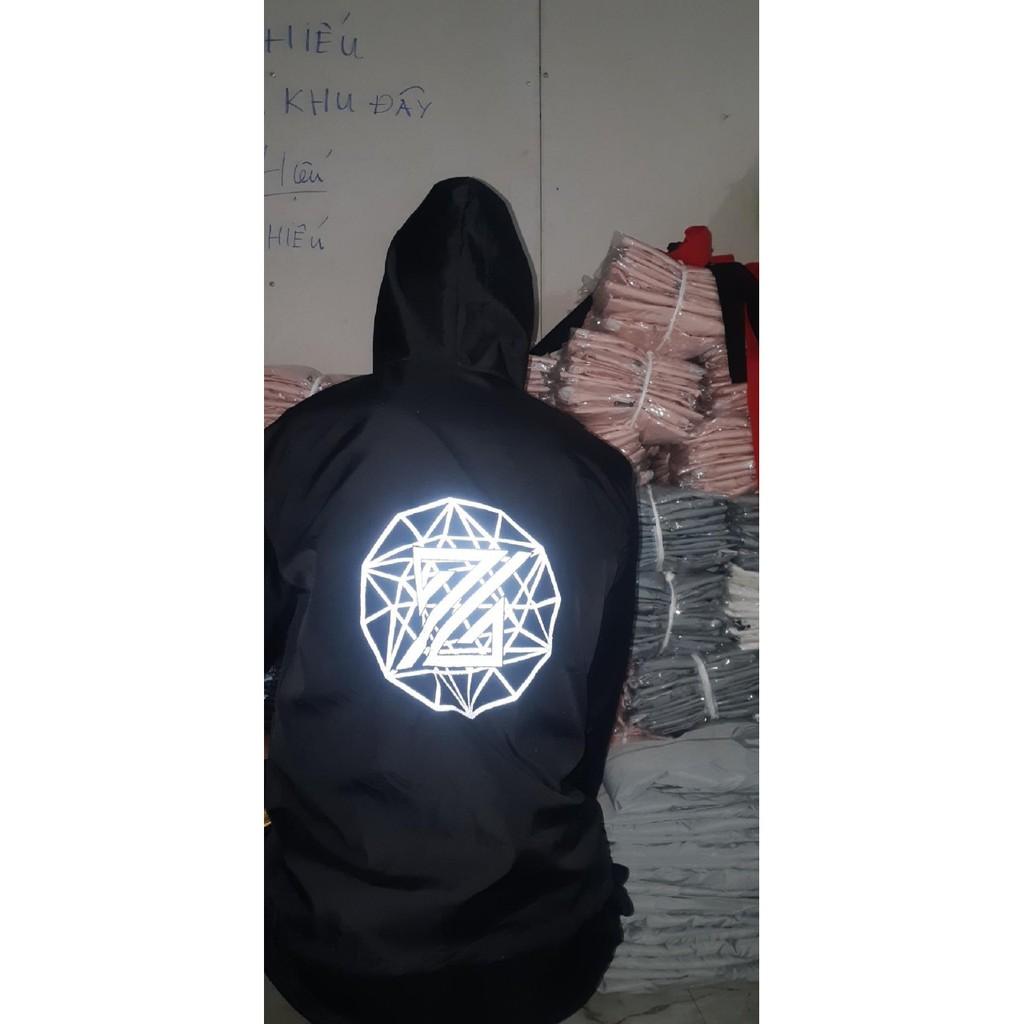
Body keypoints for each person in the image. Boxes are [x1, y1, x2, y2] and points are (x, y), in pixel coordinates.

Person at [265, 177, 638, 1024]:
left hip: (338, 937)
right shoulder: (596, 470)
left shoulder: (304, 443)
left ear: (393, 298)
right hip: (537, 932)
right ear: (513, 311)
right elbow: (595, 702)